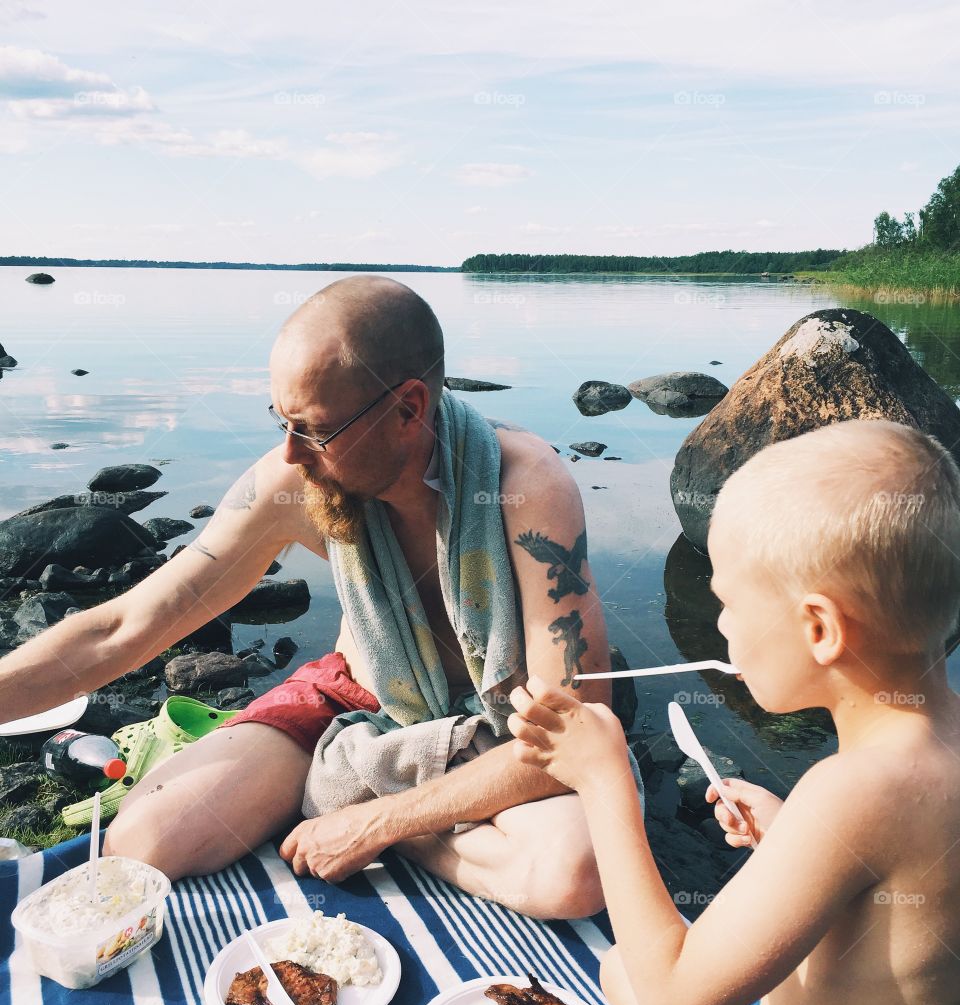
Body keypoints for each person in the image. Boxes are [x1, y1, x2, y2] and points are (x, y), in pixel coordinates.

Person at [477, 419, 960, 1005]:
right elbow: (900, 934)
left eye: (729, 602)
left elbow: (672, 1003)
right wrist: (788, 839)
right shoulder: (924, 760)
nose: (719, 626)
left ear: (818, 629)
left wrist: (605, 781)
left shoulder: (851, 794)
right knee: (612, 973)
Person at [0, 275, 626, 918]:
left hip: (499, 727)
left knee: (572, 875)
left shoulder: (525, 487)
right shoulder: (296, 480)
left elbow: (577, 731)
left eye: (315, 429)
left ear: (409, 409)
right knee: (144, 841)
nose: (291, 453)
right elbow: (124, 627)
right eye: (281, 421)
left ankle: (358, 804)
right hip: (359, 701)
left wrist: (377, 824)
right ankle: (368, 790)